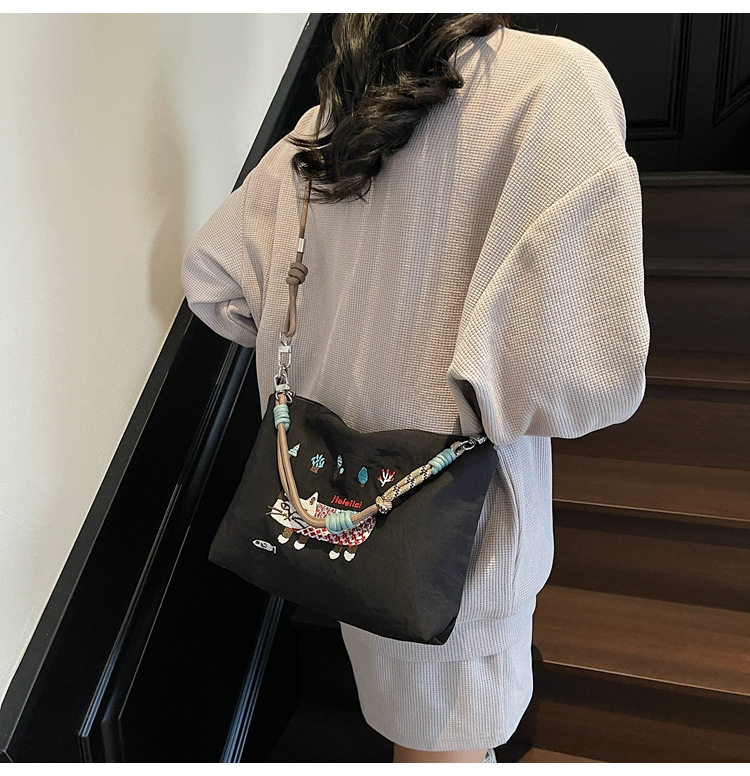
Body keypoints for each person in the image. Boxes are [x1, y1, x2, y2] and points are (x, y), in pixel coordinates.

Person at [181, 14, 649, 763]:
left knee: (416, 732)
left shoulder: (334, 119)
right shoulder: (553, 83)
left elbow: (215, 281)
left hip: (337, 507)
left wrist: (335, 350)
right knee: (446, 748)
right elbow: (583, 374)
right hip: (461, 536)